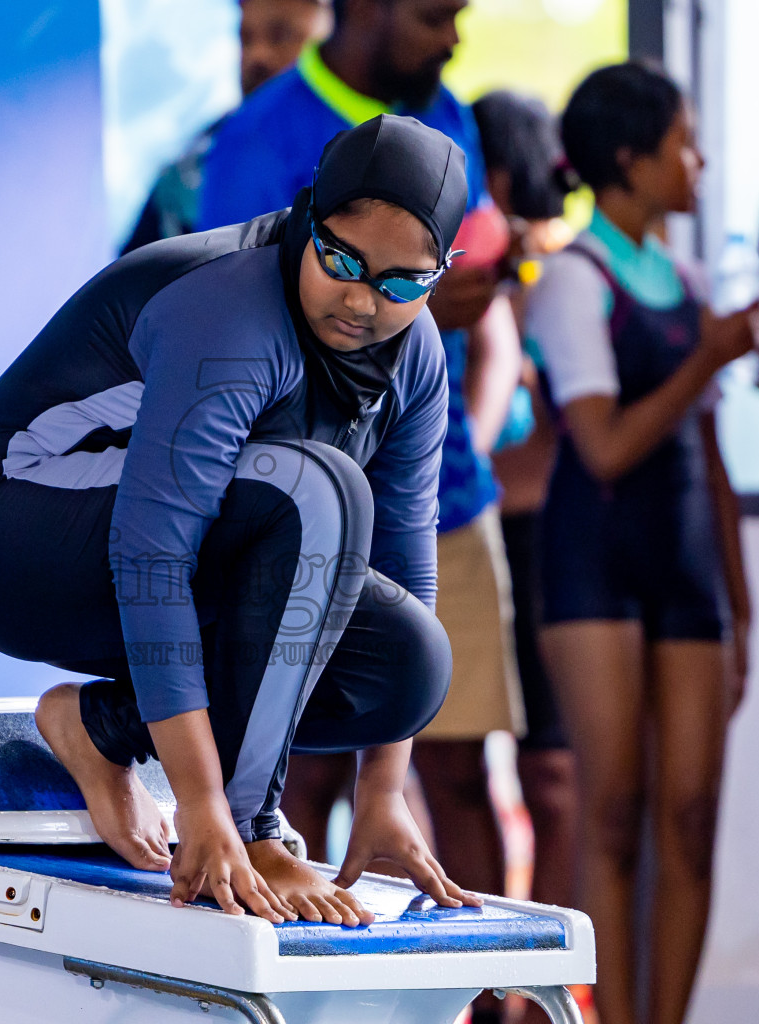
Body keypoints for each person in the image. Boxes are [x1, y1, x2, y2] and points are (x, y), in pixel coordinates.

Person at [0, 114, 484, 926]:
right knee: (317, 491)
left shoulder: (418, 356)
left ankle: (100, 726)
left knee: (409, 663)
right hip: (9, 529)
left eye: (402, 283)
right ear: (306, 219)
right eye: (341, 261)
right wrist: (212, 812)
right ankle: (257, 825)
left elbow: (405, 564)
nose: (364, 302)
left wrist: (383, 791)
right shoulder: (230, 314)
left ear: (439, 274)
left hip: (154, 549)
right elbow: (151, 550)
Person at [195, 6, 526, 966]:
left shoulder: (451, 117)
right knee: (290, 780)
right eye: (435, 15)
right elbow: (232, 331)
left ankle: (491, 998)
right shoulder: (259, 140)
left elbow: (474, 293)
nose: (453, 37)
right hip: (291, 519)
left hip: (444, 493)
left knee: (460, 775)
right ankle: (293, 986)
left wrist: (448, 310)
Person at [524, 63, 758, 1024]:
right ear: (631, 159)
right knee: (612, 815)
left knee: (693, 819)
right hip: (595, 565)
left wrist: (740, 603)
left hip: (687, 563)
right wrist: (708, 355)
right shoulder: (574, 280)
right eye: (684, 144)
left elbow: (709, 452)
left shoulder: (691, 278)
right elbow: (606, 445)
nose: (697, 163)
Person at [475, 88, 581, 1024]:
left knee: (554, 776)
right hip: (476, 529)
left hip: (540, 535)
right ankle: (478, 989)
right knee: (459, 775)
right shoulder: (460, 275)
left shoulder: (547, 273)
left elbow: (560, 433)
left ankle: (537, 995)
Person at [120, 0, 332, 254]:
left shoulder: (372, 135)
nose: (257, 56)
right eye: (246, 38)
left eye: (282, 35)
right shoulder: (201, 158)